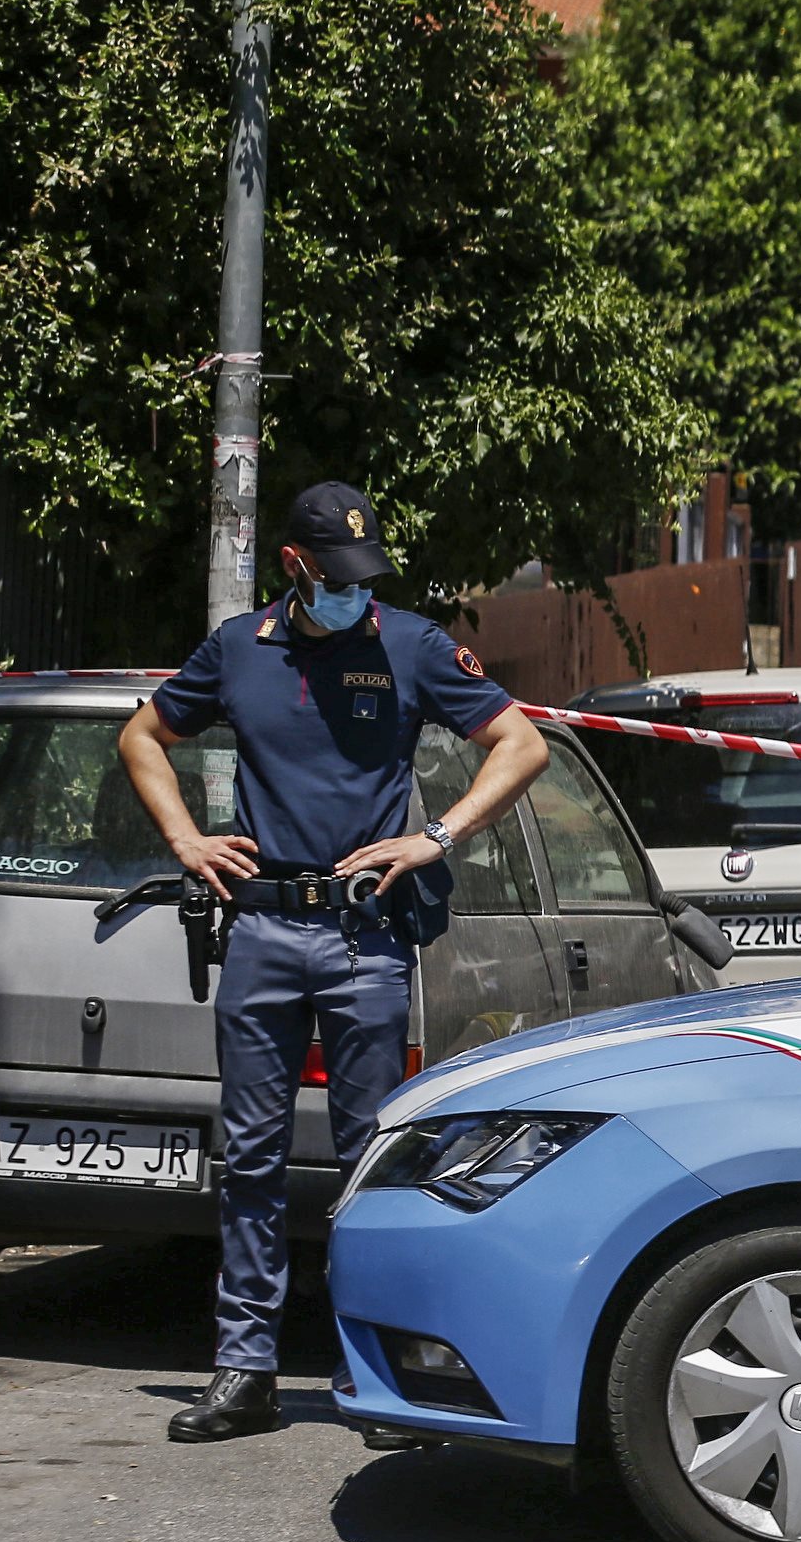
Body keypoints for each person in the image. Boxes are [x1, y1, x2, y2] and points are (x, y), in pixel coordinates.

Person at [118, 483, 548, 1444]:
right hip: (264, 930)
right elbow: (142, 736)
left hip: (365, 935)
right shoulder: (239, 648)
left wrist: (436, 836)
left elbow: (521, 745)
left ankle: (374, 1374)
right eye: (338, 576)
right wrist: (186, 839)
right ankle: (245, 1370)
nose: (356, 591)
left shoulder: (413, 645)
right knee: (251, 1158)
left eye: (365, 575)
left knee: (369, 1161)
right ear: (295, 566)